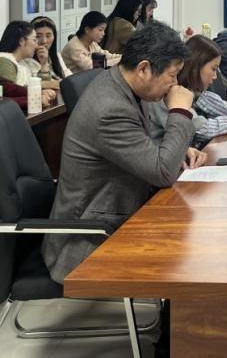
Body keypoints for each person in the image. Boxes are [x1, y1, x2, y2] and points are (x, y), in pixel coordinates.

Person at [43, 21, 207, 283]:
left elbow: (145, 144)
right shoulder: (111, 109)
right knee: (198, 255)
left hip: (123, 212)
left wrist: (178, 149)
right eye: (172, 75)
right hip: (89, 241)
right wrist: (179, 111)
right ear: (144, 69)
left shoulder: (124, 85)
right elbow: (162, 172)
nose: (175, 84)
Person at [178, 35, 227, 148]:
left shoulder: (200, 94)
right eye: (213, 69)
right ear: (195, 67)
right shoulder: (179, 95)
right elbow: (201, 130)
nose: (215, 76)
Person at [0, 21, 60, 95]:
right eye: (34, 40)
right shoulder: (2, 62)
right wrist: (42, 86)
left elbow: (46, 87)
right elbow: (9, 91)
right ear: (21, 41)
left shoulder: (26, 62)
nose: (37, 45)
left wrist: (44, 64)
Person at [31, 16, 70, 81]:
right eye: (38, 36)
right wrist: (44, 63)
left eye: (48, 36)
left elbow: (66, 74)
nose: (44, 41)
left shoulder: (56, 55)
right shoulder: (28, 61)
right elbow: (42, 84)